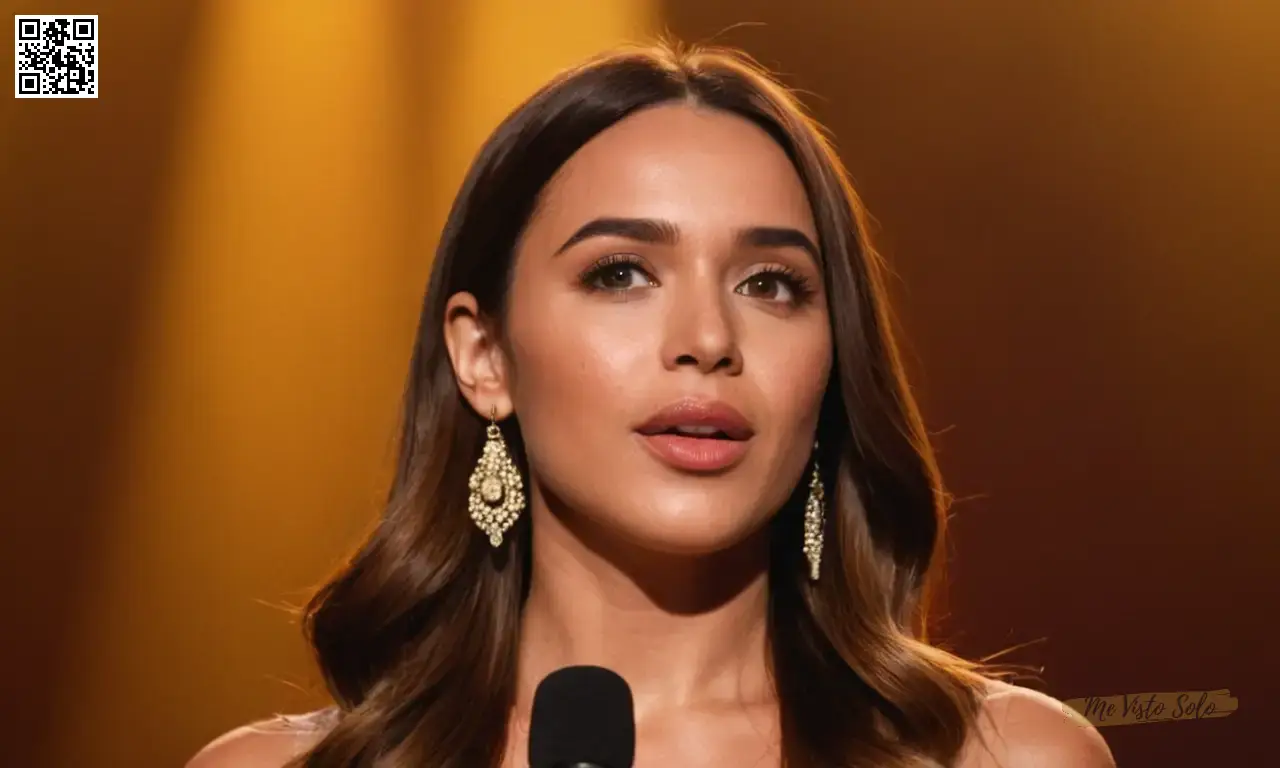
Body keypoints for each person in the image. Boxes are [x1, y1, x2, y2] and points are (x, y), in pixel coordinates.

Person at [187, 40, 1115, 768]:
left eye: (772, 284)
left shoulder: (1005, 759)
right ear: (484, 356)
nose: (707, 338)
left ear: (833, 364)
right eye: (620, 273)